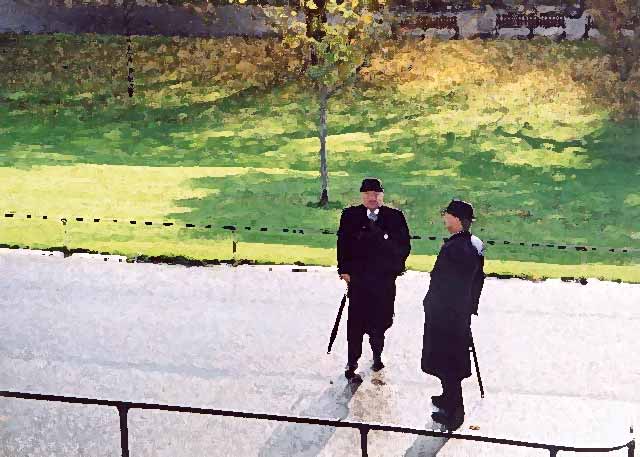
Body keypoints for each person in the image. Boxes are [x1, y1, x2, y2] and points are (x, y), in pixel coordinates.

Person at [337, 178, 411, 383]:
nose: (371, 197)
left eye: (376, 194)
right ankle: (352, 361)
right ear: (362, 196)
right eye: (367, 194)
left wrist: (395, 268)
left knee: (381, 321)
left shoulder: (395, 217)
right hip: (359, 280)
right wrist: (344, 270)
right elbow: (342, 243)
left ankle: (377, 354)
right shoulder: (350, 216)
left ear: (382, 196)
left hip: (383, 280)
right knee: (355, 323)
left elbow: (404, 246)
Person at [421, 199, 485, 430]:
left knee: (449, 364)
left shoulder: (458, 248)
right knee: (448, 362)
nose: (444, 218)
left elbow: (447, 285)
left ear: (456, 219)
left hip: (447, 317)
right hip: (458, 314)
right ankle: (447, 397)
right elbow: (478, 281)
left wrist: (434, 307)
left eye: (447, 215)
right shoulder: (474, 244)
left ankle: (454, 413)